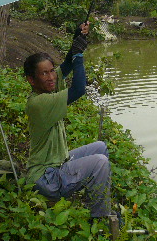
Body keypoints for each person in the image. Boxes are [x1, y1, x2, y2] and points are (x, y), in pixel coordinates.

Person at [23, 21, 111, 218]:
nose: (51, 77)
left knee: (100, 147)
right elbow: (79, 89)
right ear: (31, 79)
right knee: (99, 162)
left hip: (58, 163)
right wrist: (79, 55)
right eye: (44, 73)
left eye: (52, 70)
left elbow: (68, 64)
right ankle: (100, 217)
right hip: (46, 177)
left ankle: (92, 196)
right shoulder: (39, 103)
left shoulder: (49, 85)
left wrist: (78, 37)